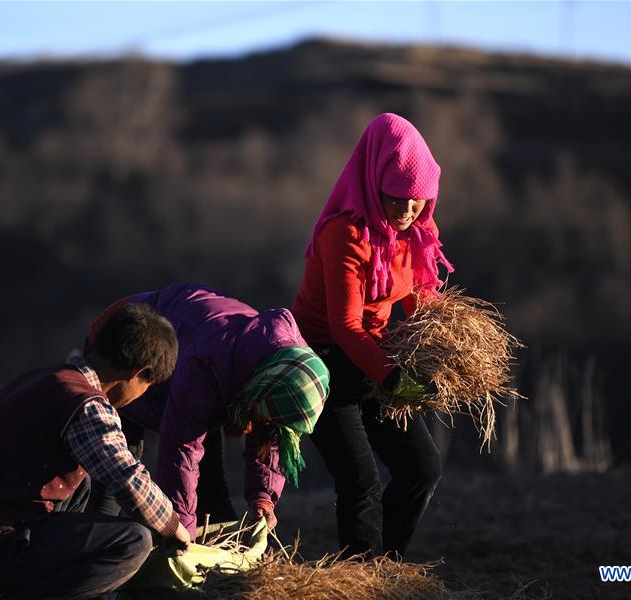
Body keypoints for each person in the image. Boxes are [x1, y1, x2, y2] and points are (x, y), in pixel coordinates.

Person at [0, 303, 188, 600]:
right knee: (133, 541)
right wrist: (172, 526)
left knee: (81, 482)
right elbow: (125, 477)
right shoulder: (85, 403)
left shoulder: (43, 380)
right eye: (148, 385)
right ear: (137, 373)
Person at [292, 112, 455, 559]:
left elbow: (419, 298)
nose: (406, 211)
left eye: (417, 201)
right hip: (322, 361)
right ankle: (361, 577)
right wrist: (396, 380)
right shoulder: (344, 233)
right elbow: (345, 326)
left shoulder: (418, 232)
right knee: (359, 480)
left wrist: (441, 346)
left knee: (421, 467)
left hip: (371, 355)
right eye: (395, 198)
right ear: (373, 184)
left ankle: (386, 569)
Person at [86, 283, 330, 539]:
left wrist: (263, 498)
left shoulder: (290, 368)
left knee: (209, 485)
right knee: (117, 474)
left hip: (187, 360)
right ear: (258, 392)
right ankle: (95, 552)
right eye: (265, 416)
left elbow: (271, 432)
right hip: (123, 343)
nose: (264, 424)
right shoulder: (209, 362)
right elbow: (180, 450)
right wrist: (179, 532)